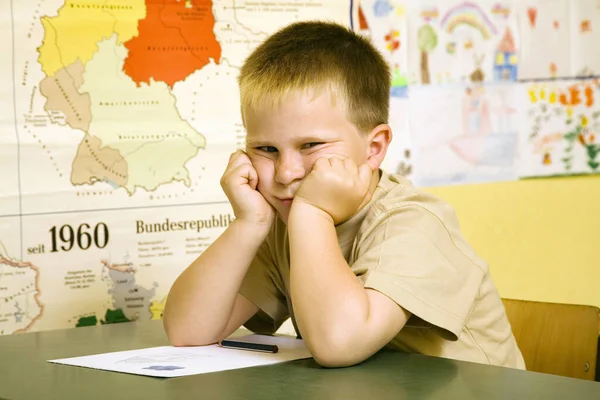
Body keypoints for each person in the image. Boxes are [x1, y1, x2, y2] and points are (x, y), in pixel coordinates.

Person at [163, 21, 526, 369]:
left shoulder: (413, 223)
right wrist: (249, 223)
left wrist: (311, 213)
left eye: (311, 145)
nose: (287, 172)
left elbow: (339, 343)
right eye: (266, 149)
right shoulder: (278, 226)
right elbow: (188, 331)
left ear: (374, 148)